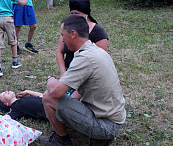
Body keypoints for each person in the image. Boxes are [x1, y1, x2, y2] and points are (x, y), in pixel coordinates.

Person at [39, 15, 126, 146]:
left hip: (106, 126)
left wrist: (50, 80)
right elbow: (83, 90)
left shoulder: (85, 58)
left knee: (48, 97)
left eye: (63, 35)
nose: (62, 39)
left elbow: (55, 93)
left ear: (73, 34)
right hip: (115, 120)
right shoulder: (95, 51)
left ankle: (61, 141)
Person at [56, 0, 108, 77]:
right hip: (69, 71)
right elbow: (59, 52)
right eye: (71, 14)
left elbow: (100, 62)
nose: (73, 17)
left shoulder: (99, 33)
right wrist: (63, 73)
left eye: (77, 14)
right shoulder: (67, 28)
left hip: (87, 75)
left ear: (86, 15)